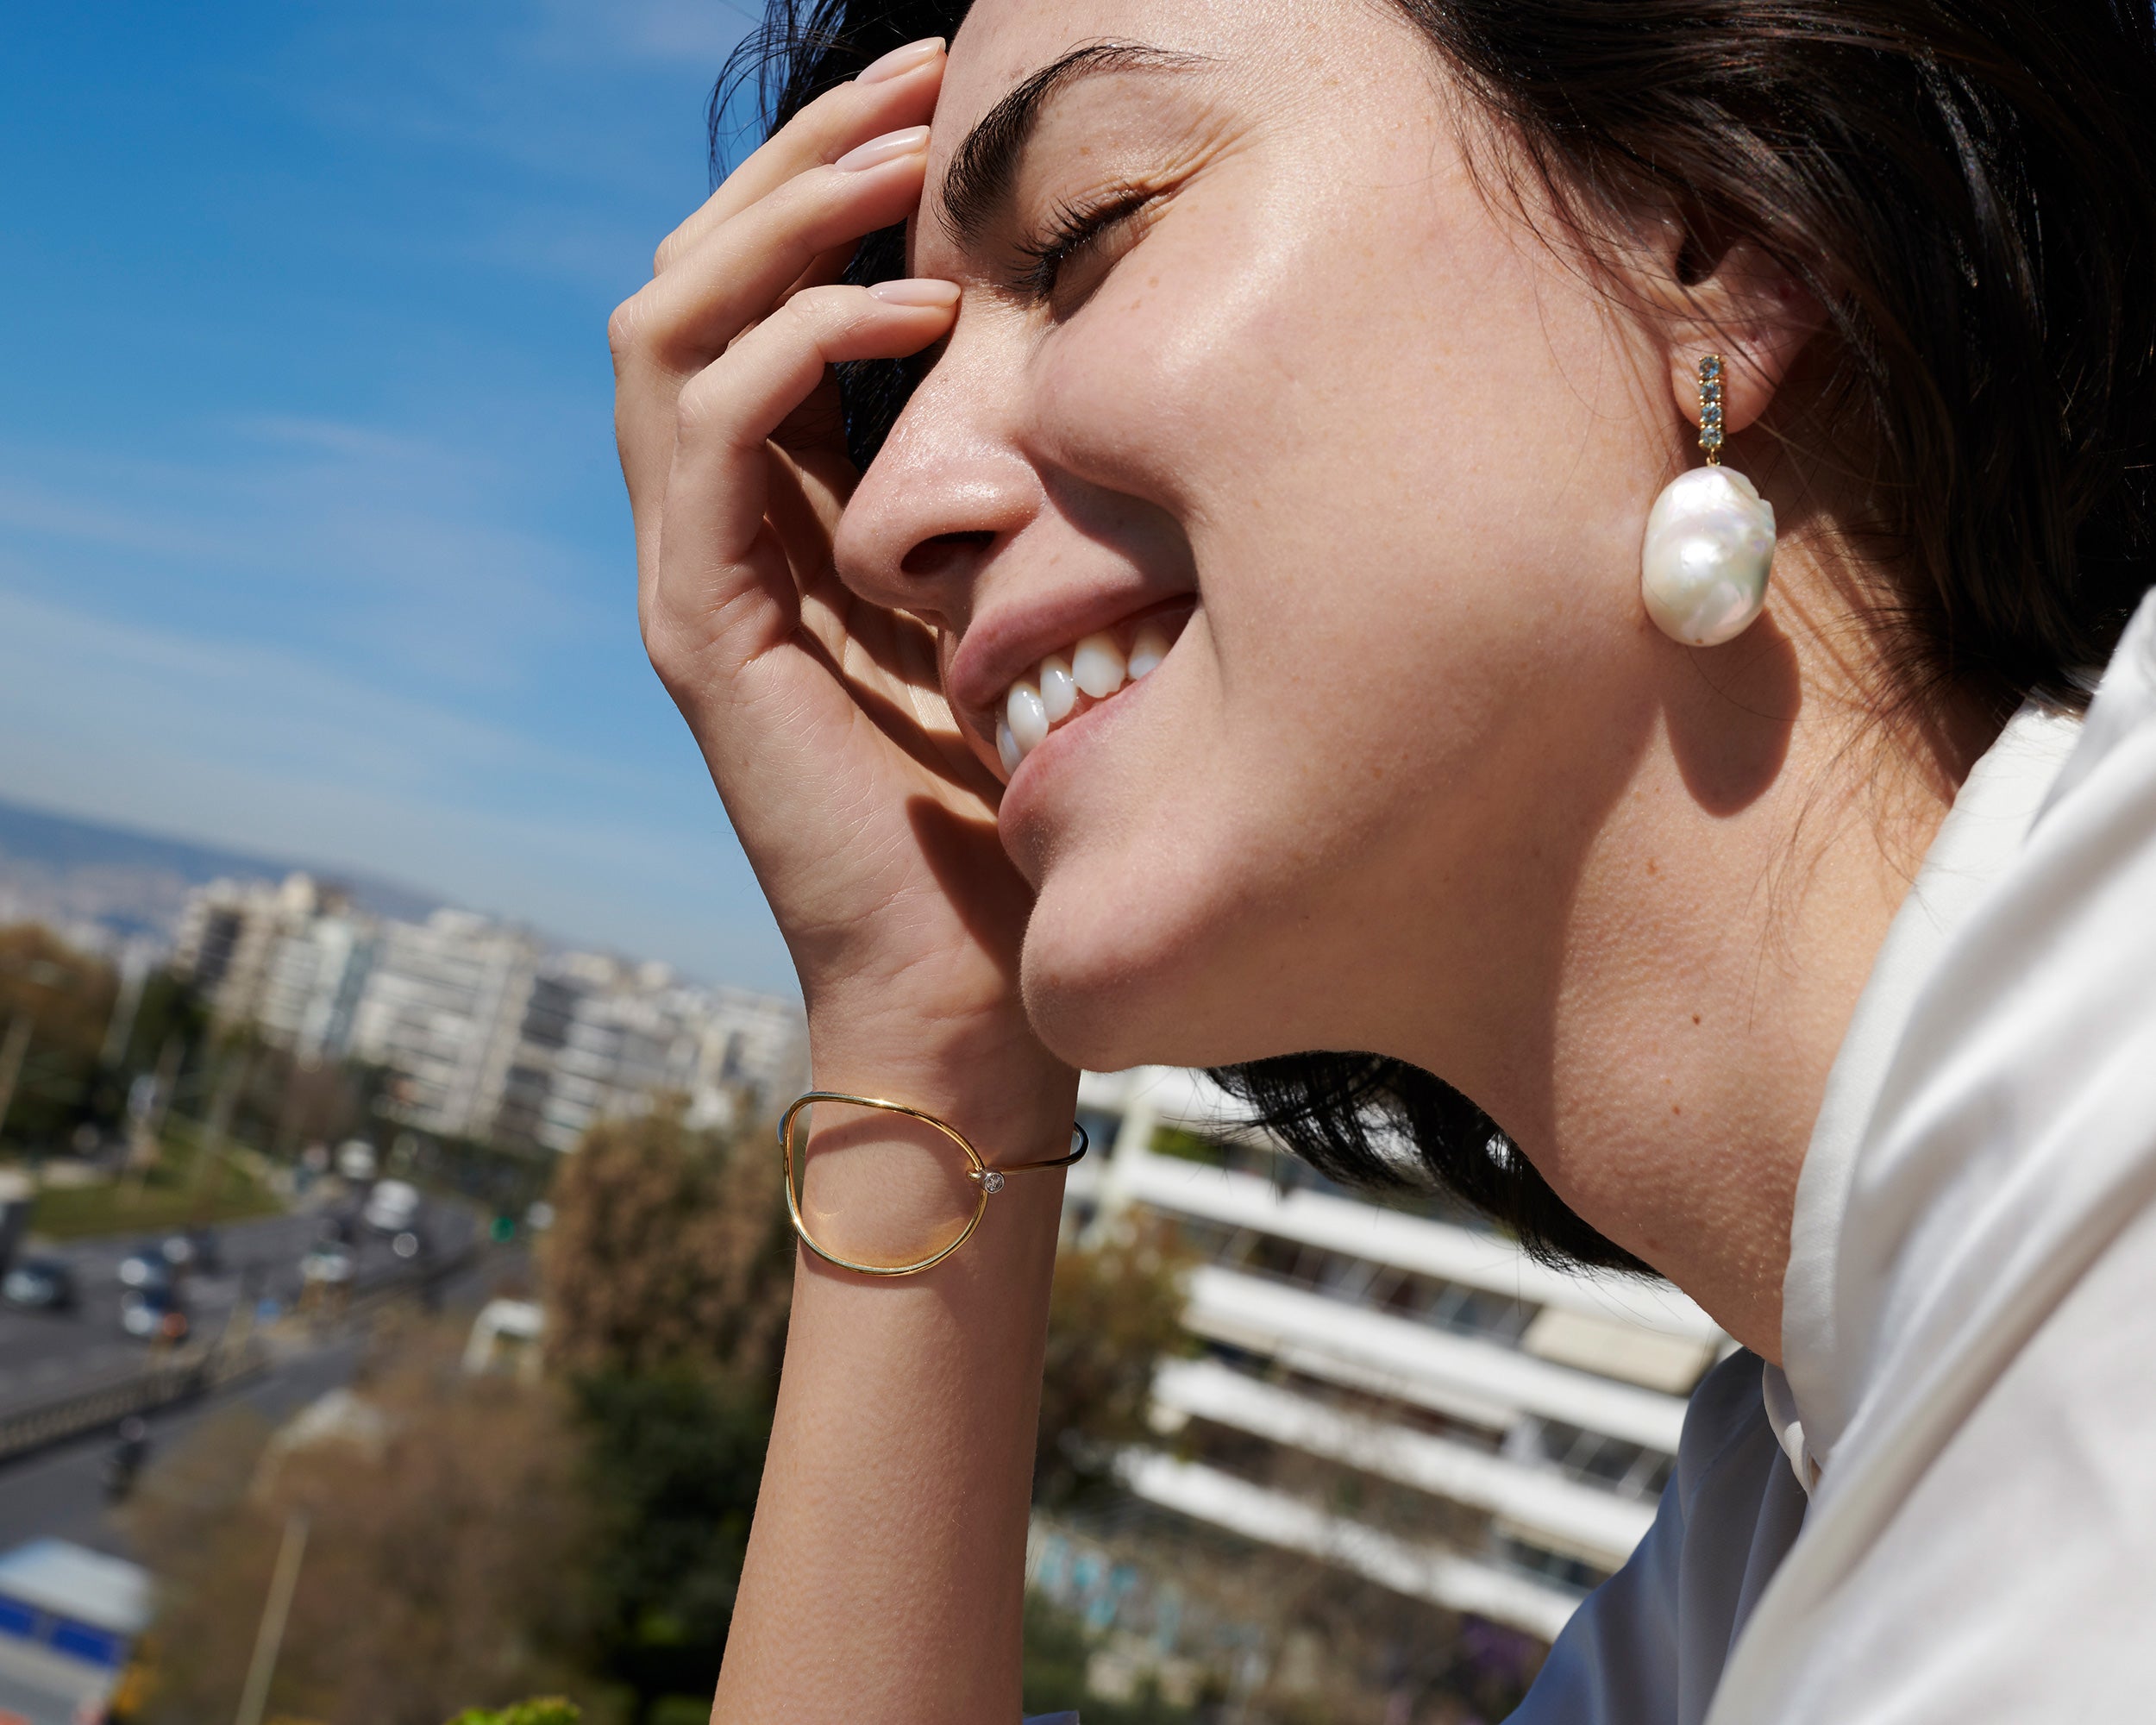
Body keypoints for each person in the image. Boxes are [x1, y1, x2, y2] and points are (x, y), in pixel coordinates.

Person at [606, 1, 2156, 1719]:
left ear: (1704, 233)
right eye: (902, 388)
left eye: (1080, 238)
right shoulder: (1773, 1533)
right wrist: (930, 1030)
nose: (893, 517)